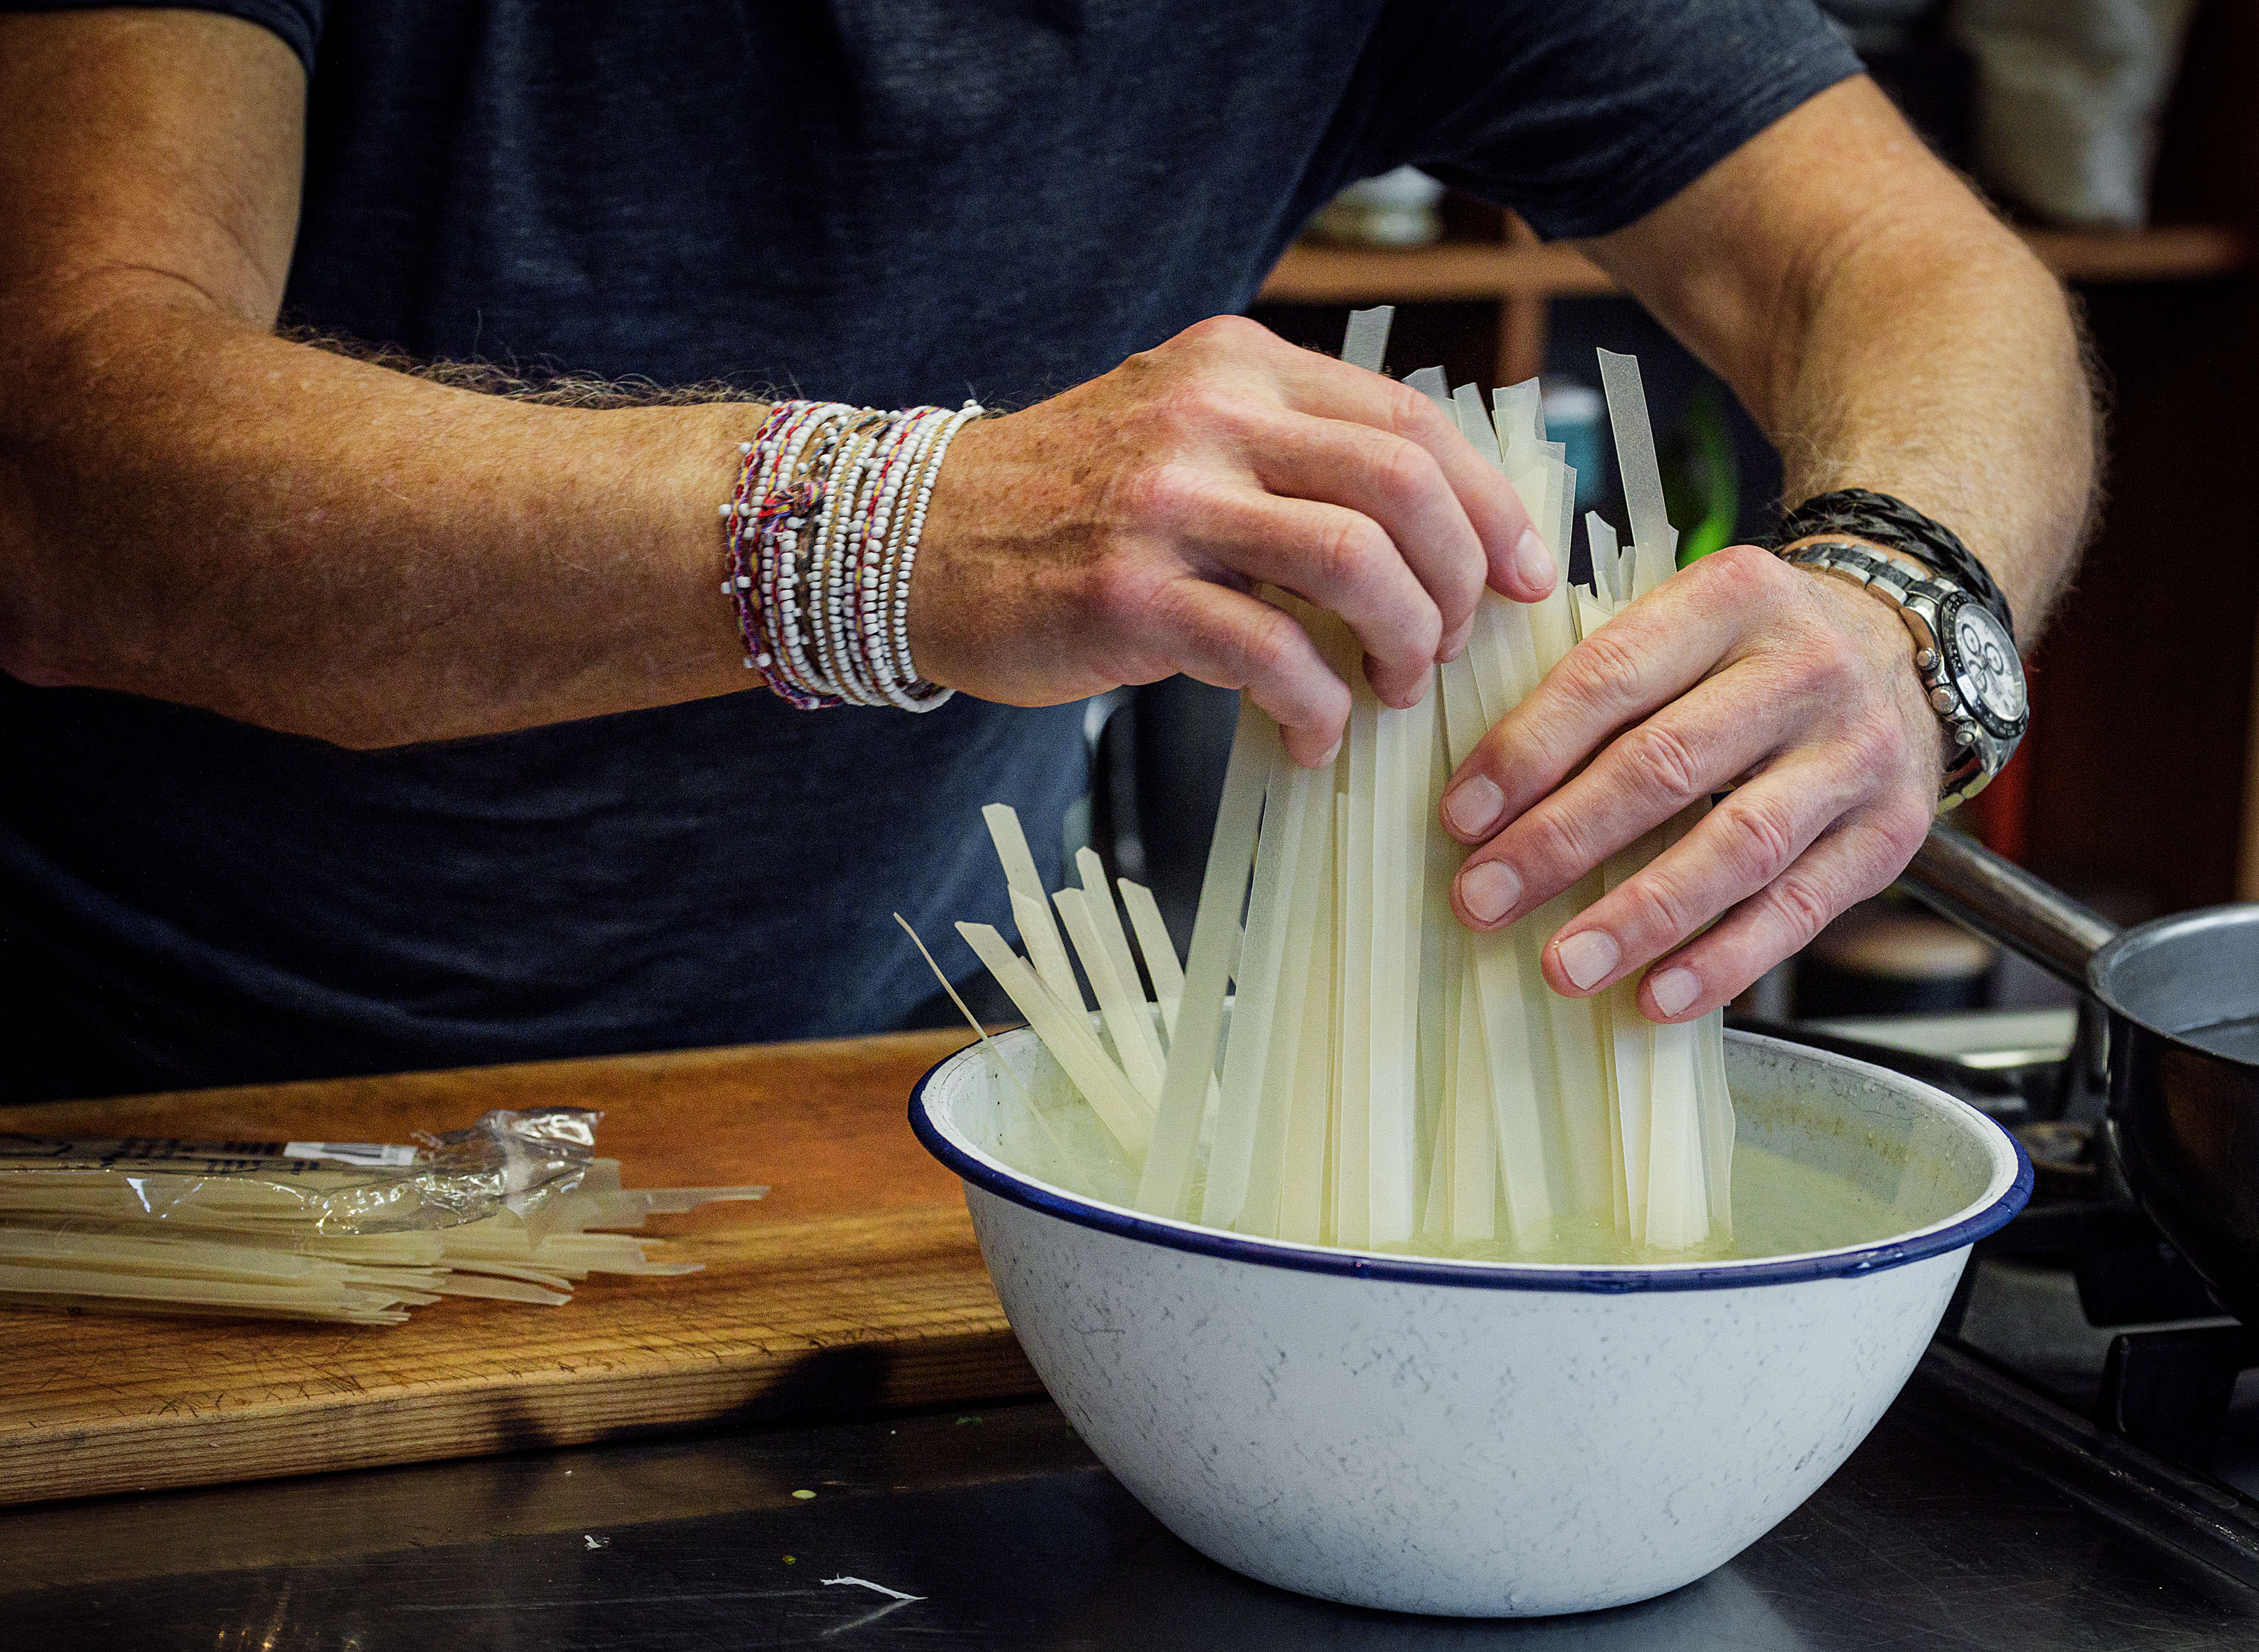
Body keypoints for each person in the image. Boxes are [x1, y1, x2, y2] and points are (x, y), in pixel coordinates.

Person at [0, 3, 2092, 1102]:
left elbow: (1906, 266)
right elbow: (62, 464)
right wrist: (890, 527)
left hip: (867, 1104)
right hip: (115, 1118)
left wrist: (1903, 611)